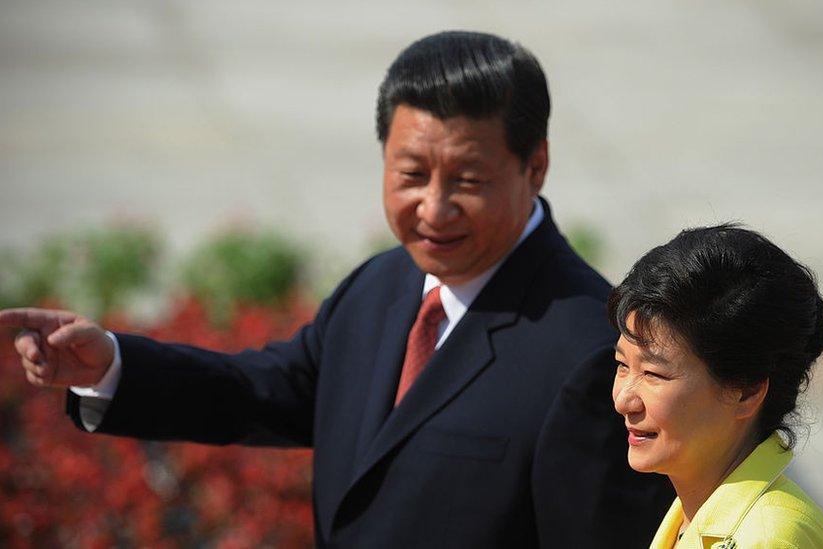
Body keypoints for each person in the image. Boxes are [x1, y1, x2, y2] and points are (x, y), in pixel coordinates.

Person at [0, 31, 674, 547]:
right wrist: (112, 364)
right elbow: (268, 390)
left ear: (536, 166)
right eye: (411, 174)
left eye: (467, 181)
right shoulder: (382, 285)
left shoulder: (589, 352)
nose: (433, 209)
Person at [608, 224, 823, 549]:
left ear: (745, 390)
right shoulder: (689, 512)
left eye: (653, 374)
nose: (624, 400)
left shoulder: (769, 538)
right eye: (622, 365)